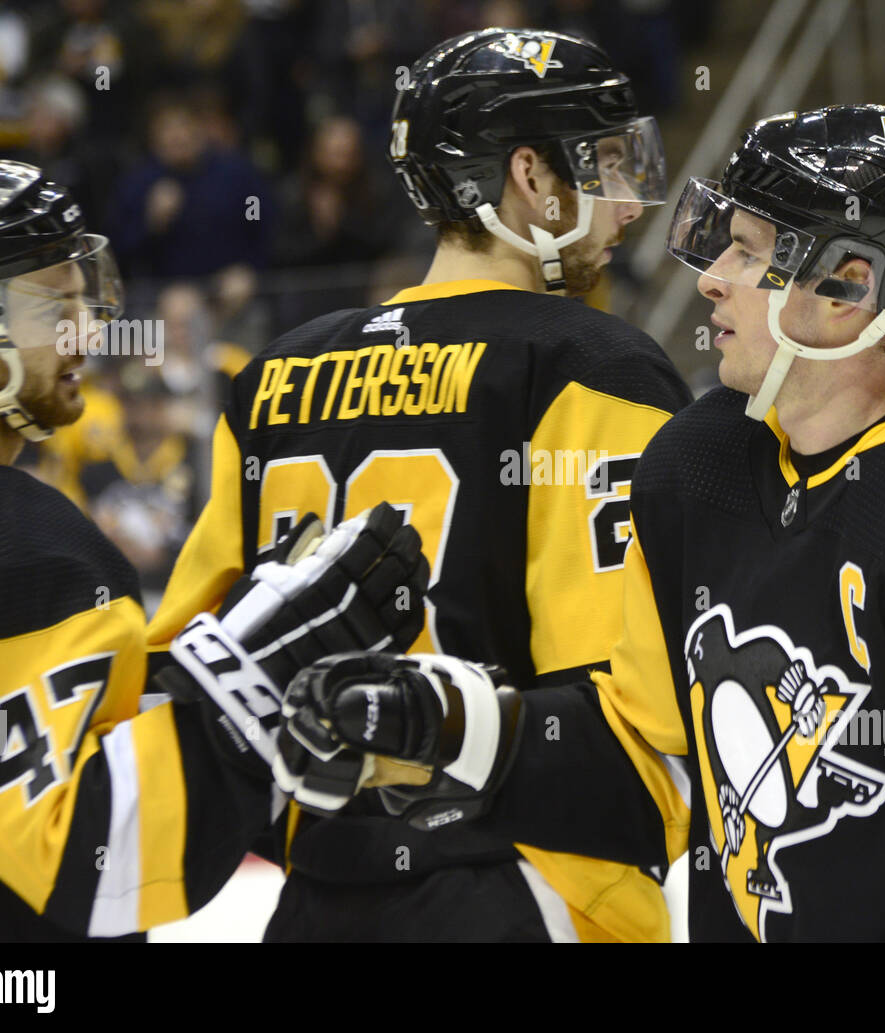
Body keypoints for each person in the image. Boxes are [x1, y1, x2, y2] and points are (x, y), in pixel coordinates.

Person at [274, 106, 885, 942]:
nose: (711, 278)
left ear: (848, 285)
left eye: (749, 253)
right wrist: (444, 725)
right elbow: (646, 770)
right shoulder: (696, 463)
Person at [148, 28, 692, 942]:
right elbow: (635, 724)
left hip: (317, 891)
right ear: (529, 173)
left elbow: (192, 673)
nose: (629, 201)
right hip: (529, 883)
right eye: (602, 161)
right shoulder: (593, 365)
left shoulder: (275, 377)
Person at [0, 153, 425, 940]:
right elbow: (88, 861)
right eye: (53, 306)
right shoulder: (8, 540)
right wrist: (253, 681)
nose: (89, 329)